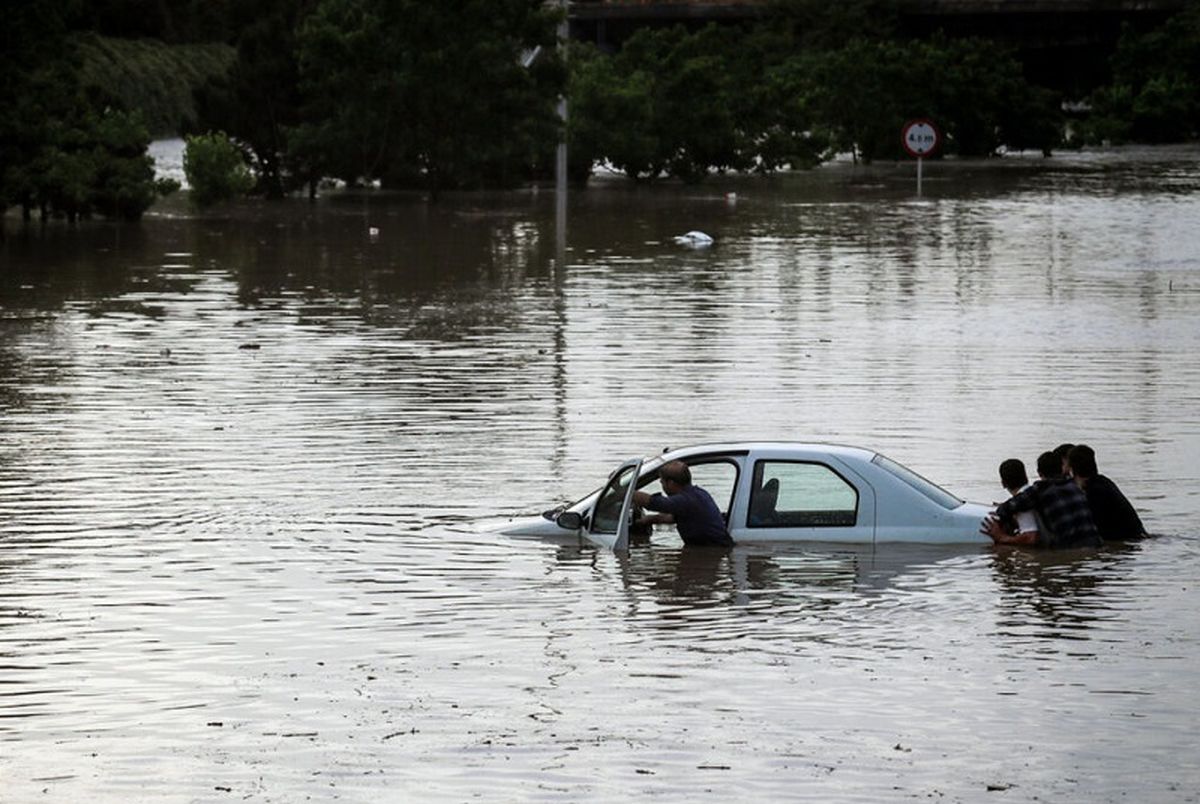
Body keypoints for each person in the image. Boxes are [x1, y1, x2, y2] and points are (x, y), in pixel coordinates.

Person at [980, 451, 1101, 549]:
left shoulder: (1040, 491)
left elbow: (1007, 508)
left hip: (1070, 549)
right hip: (1094, 544)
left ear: (1039, 473)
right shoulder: (1075, 487)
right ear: (1061, 469)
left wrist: (1002, 537)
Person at [632, 460, 734, 547]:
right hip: (717, 548)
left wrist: (627, 493)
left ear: (671, 483)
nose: (662, 486)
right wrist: (648, 520)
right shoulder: (698, 493)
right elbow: (673, 517)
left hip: (712, 550)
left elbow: (655, 503)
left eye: (662, 482)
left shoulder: (684, 500)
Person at [1068, 444, 1147, 540]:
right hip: (1136, 536)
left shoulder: (1094, 491)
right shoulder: (1104, 482)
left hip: (1127, 539)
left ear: (1072, 470)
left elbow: (1094, 527)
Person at [983, 458, 1043, 543]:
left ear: (1003, 483)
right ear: (1026, 477)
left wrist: (1002, 537)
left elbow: (1031, 538)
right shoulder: (1032, 493)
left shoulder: (1021, 505)